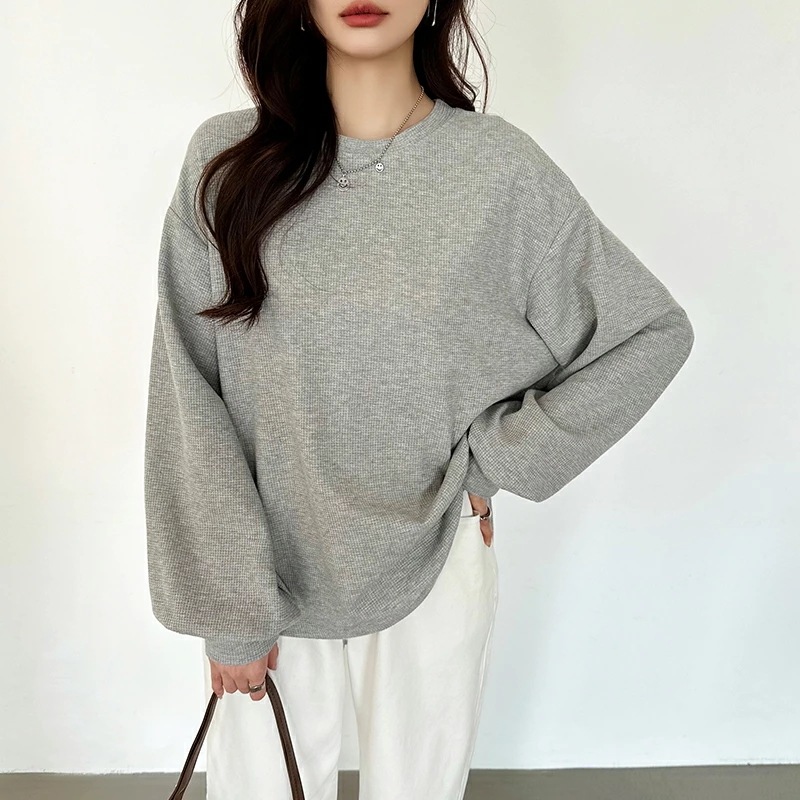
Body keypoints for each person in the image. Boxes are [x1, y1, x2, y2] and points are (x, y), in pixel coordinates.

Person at [143, 1, 695, 797]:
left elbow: (647, 333)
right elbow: (190, 394)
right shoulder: (226, 164)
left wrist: (496, 462)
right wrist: (229, 605)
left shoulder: (498, 170)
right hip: (265, 569)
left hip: (437, 551)